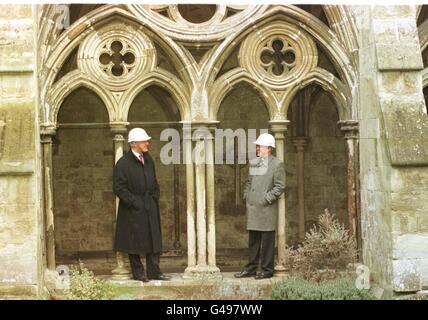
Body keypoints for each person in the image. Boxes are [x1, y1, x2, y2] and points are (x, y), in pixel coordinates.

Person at [113, 127, 170, 282]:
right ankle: (139, 273)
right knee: (134, 242)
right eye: (144, 141)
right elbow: (119, 188)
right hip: (133, 209)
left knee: (153, 238)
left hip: (150, 204)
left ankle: (154, 271)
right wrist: (134, 202)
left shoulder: (149, 159)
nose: (147, 143)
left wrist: (155, 195)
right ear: (133, 144)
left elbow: (154, 180)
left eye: (147, 141)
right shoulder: (123, 163)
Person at [234, 133, 286, 280]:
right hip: (253, 207)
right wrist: (247, 195)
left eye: (260, 146)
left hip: (266, 209)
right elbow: (249, 183)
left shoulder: (277, 164)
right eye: (257, 146)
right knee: (253, 241)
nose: (257, 148)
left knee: (267, 241)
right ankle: (250, 268)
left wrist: (266, 198)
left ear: (268, 148)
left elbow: (280, 186)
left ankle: (266, 270)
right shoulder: (255, 162)